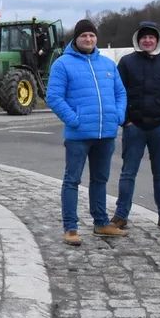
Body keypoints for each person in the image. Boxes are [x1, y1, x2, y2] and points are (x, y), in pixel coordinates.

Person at [45, 18, 128, 246]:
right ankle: (70, 227)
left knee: (100, 180)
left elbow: (121, 93)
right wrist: (74, 119)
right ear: (76, 38)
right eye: (84, 36)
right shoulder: (62, 64)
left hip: (106, 134)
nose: (88, 39)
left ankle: (101, 222)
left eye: (92, 35)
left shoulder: (108, 65)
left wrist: (118, 115)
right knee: (72, 180)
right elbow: (54, 97)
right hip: (78, 135)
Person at [114, 22, 160, 234]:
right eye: (143, 37)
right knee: (128, 173)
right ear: (138, 39)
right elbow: (117, 92)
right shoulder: (126, 63)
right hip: (134, 127)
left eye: (151, 37)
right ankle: (120, 216)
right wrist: (125, 121)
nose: (147, 40)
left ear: (157, 40)